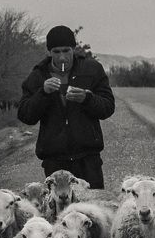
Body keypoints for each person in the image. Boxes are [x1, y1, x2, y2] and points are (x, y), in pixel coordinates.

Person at [17, 25, 115, 188]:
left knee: (94, 210)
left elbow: (108, 107)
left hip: (88, 159)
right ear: (49, 52)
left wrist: (87, 99)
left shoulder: (92, 69)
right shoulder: (38, 75)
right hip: (55, 162)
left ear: (74, 49)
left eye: (66, 51)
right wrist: (43, 93)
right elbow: (25, 115)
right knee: (59, 212)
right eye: (56, 52)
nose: (62, 57)